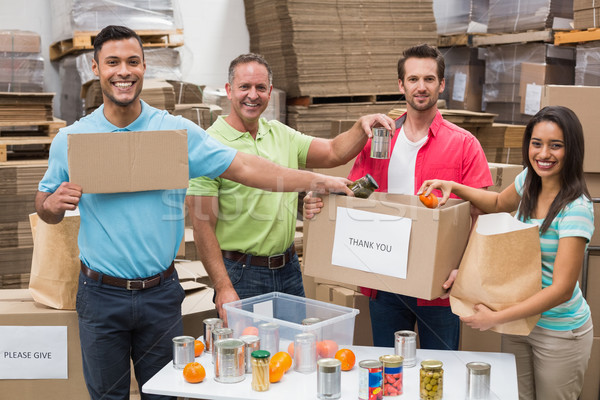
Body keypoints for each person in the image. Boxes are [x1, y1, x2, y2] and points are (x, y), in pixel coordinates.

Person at [35, 26, 353, 400]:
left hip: (160, 295)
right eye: (113, 62)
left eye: (132, 62)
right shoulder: (73, 140)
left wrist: (317, 179)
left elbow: (247, 168)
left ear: (144, 65)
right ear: (95, 68)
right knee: (107, 396)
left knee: (167, 394)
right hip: (101, 295)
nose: (124, 71)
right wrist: (51, 206)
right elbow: (43, 205)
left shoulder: (175, 133)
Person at [304, 44, 493, 350]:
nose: (421, 87)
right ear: (401, 84)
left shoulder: (464, 145)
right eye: (413, 79)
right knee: (390, 371)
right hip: (386, 283)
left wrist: (466, 270)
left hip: (439, 287)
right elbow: (352, 197)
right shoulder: (379, 141)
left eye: (429, 79)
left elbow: (481, 215)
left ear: (441, 85)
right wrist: (319, 202)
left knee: (439, 373)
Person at [186, 53, 394, 323]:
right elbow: (203, 226)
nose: (253, 95)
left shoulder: (281, 134)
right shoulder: (209, 145)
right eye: (244, 87)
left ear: (270, 92)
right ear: (228, 90)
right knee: (250, 359)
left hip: (288, 269)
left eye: (261, 88)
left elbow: (333, 152)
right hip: (241, 273)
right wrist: (223, 287)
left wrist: (361, 125)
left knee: (295, 356)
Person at [419, 105, 594, 400]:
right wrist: (453, 186)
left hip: (559, 332)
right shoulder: (529, 181)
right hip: (519, 324)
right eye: (537, 144)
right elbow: (499, 202)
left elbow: (562, 289)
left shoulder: (576, 209)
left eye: (556, 146)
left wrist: (496, 317)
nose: (543, 154)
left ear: (571, 149)